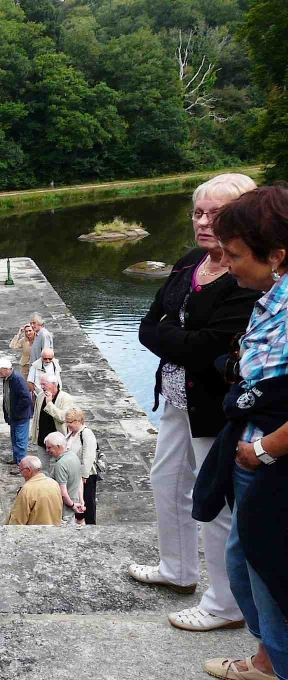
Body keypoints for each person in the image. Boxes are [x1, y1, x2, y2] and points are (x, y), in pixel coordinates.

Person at [128, 172, 259, 633]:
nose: (203, 223)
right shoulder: (190, 263)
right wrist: (175, 338)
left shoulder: (247, 279)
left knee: (215, 501)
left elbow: (207, 347)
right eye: (198, 213)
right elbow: (148, 326)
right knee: (165, 481)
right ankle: (177, 569)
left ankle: (225, 604)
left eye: (215, 215)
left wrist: (171, 337)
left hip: (215, 409)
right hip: (177, 397)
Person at [193, 186, 288, 680]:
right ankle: (270, 660)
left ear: (274, 253)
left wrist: (266, 449)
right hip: (253, 453)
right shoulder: (276, 292)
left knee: (275, 581)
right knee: (245, 566)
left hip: (272, 462)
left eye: (234, 254)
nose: (225, 265)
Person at [0, 358, 33, 466]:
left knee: (20, 441)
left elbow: (26, 399)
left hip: (20, 417)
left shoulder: (17, 379)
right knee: (15, 439)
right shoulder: (6, 379)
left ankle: (22, 465)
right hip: (13, 416)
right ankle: (16, 459)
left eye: (0, 370)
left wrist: (16, 413)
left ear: (6, 369)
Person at [65, 407, 99, 526]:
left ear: (79, 421)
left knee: (87, 501)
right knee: (79, 500)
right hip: (75, 474)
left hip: (85, 475)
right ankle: (79, 523)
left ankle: (90, 525)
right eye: (67, 421)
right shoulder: (72, 432)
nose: (68, 424)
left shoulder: (86, 434)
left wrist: (84, 475)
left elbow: (88, 456)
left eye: (71, 422)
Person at [6, 456, 63, 526]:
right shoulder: (54, 483)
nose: (21, 473)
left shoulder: (27, 490)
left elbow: (17, 520)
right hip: (54, 530)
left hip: (35, 533)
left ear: (28, 470)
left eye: (21, 470)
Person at [45, 432, 84, 524]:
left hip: (64, 509)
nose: (47, 450)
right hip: (73, 502)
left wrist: (72, 505)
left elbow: (63, 493)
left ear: (58, 446)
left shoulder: (61, 464)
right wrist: (81, 501)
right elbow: (79, 481)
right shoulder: (74, 456)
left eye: (49, 447)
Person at [29, 375, 74, 448]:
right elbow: (36, 417)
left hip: (58, 443)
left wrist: (49, 404)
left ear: (54, 384)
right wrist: (34, 435)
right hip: (42, 440)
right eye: (41, 384)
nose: (42, 387)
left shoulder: (65, 398)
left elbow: (63, 418)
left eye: (44, 384)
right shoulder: (41, 396)